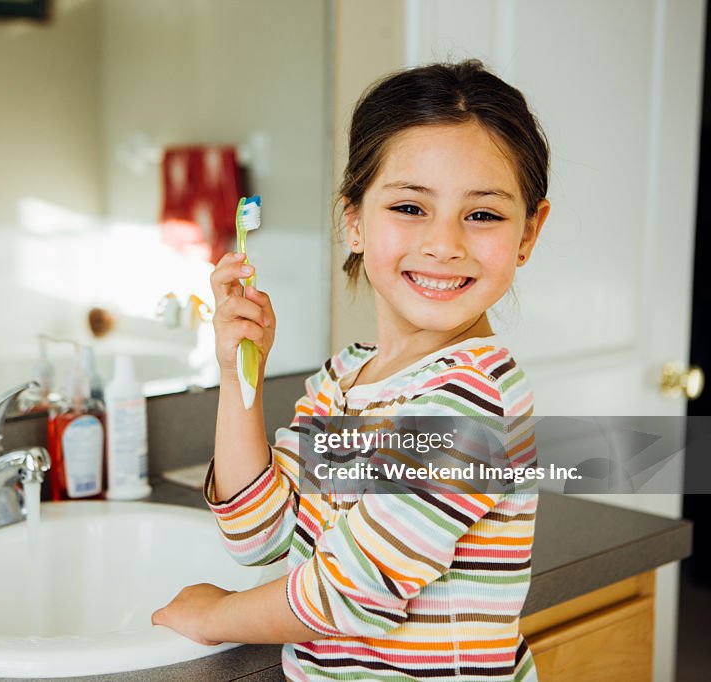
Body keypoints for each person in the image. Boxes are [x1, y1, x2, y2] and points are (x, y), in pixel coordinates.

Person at [152, 59, 551, 682]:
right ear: (355, 222)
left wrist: (215, 616)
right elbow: (261, 535)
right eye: (411, 207)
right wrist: (238, 377)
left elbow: (348, 595)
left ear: (529, 231)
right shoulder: (348, 378)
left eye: (483, 215)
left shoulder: (471, 402)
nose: (444, 242)